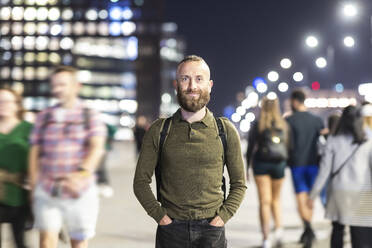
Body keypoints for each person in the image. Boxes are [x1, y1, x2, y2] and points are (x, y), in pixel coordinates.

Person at [133, 55, 246, 248]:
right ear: (176, 85)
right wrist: (161, 218)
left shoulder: (225, 130)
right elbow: (140, 182)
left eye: (199, 79)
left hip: (212, 230)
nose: (192, 86)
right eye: (185, 79)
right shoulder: (159, 130)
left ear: (210, 85)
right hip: (171, 232)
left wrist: (220, 219)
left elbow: (239, 184)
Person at [28, 66, 106, 248]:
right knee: (46, 242)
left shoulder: (89, 114)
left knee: (78, 241)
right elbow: (34, 151)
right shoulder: (44, 116)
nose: (57, 90)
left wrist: (81, 174)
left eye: (62, 85)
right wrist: (33, 185)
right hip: (48, 188)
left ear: (76, 86)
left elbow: (96, 147)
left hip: (80, 189)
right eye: (54, 85)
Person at [309, 105, 372, 247]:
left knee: (337, 231)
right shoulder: (368, 141)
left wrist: (313, 194)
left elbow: (324, 171)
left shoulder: (333, 140)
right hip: (362, 194)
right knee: (361, 235)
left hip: (339, 192)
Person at [246, 96, 289, 248]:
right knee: (276, 200)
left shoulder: (258, 124)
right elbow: (289, 146)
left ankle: (266, 239)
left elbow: (251, 147)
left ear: (262, 107)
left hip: (261, 164)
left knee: (265, 202)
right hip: (279, 164)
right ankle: (279, 230)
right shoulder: (282, 123)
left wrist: (247, 168)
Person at [285, 89, 324, 248]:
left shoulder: (290, 120)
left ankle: (307, 228)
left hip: (297, 164)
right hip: (314, 164)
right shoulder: (317, 120)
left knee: (301, 196)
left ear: (294, 101)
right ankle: (308, 229)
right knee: (310, 197)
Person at [0, 87, 33, 248]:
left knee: (20, 242)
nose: (2, 105)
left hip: (20, 193)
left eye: (6, 101)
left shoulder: (29, 129)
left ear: (17, 105)